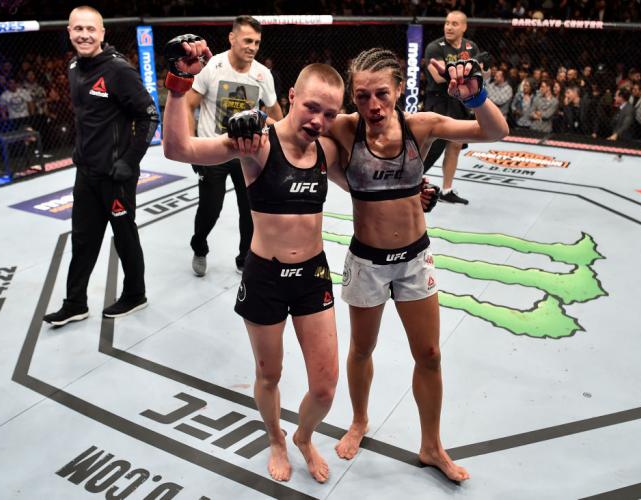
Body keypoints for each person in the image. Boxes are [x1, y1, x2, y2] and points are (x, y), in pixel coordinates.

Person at [162, 34, 347, 483]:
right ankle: (276, 438)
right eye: (311, 108)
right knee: (270, 375)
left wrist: (411, 194)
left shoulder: (327, 149)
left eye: (330, 113)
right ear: (290, 98)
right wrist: (178, 83)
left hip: (313, 275)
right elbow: (178, 149)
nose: (319, 120)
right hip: (265, 277)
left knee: (324, 387)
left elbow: (372, 179)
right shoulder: (256, 142)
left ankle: (303, 435)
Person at [325, 48, 508, 482]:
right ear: (353, 96)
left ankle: (431, 445)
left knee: (429, 353)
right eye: (362, 95)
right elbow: (297, 126)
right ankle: (359, 420)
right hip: (366, 262)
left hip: (413, 259)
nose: (372, 105)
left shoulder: (420, 125)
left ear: (399, 90)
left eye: (382, 94)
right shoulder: (345, 129)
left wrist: (475, 97)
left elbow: (495, 131)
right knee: (362, 349)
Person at [43, 6, 159, 326]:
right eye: (78, 29)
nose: (84, 35)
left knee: (124, 237)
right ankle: (75, 303)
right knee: (83, 239)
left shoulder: (119, 71)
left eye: (91, 29)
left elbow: (149, 115)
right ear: (69, 32)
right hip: (87, 173)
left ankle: (136, 294)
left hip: (116, 175)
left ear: (102, 33)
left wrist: (128, 161)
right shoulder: (73, 67)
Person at [184, 16, 283, 277]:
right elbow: (188, 103)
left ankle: (245, 257)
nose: (252, 47)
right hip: (212, 150)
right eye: (248, 40)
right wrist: (191, 143)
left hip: (246, 151)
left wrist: (284, 144)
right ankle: (199, 246)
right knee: (210, 208)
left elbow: (275, 112)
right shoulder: (212, 66)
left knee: (249, 209)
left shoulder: (262, 74)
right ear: (232, 38)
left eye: (257, 42)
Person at [422, 10, 488, 205]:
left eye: (454, 24)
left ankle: (447, 189)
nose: (449, 27)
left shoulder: (470, 46)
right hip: (439, 100)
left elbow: (480, 75)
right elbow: (439, 76)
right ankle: (409, 182)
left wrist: (484, 69)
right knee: (433, 145)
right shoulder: (435, 47)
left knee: (456, 144)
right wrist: (470, 72)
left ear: (464, 27)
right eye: (447, 23)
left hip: (459, 101)